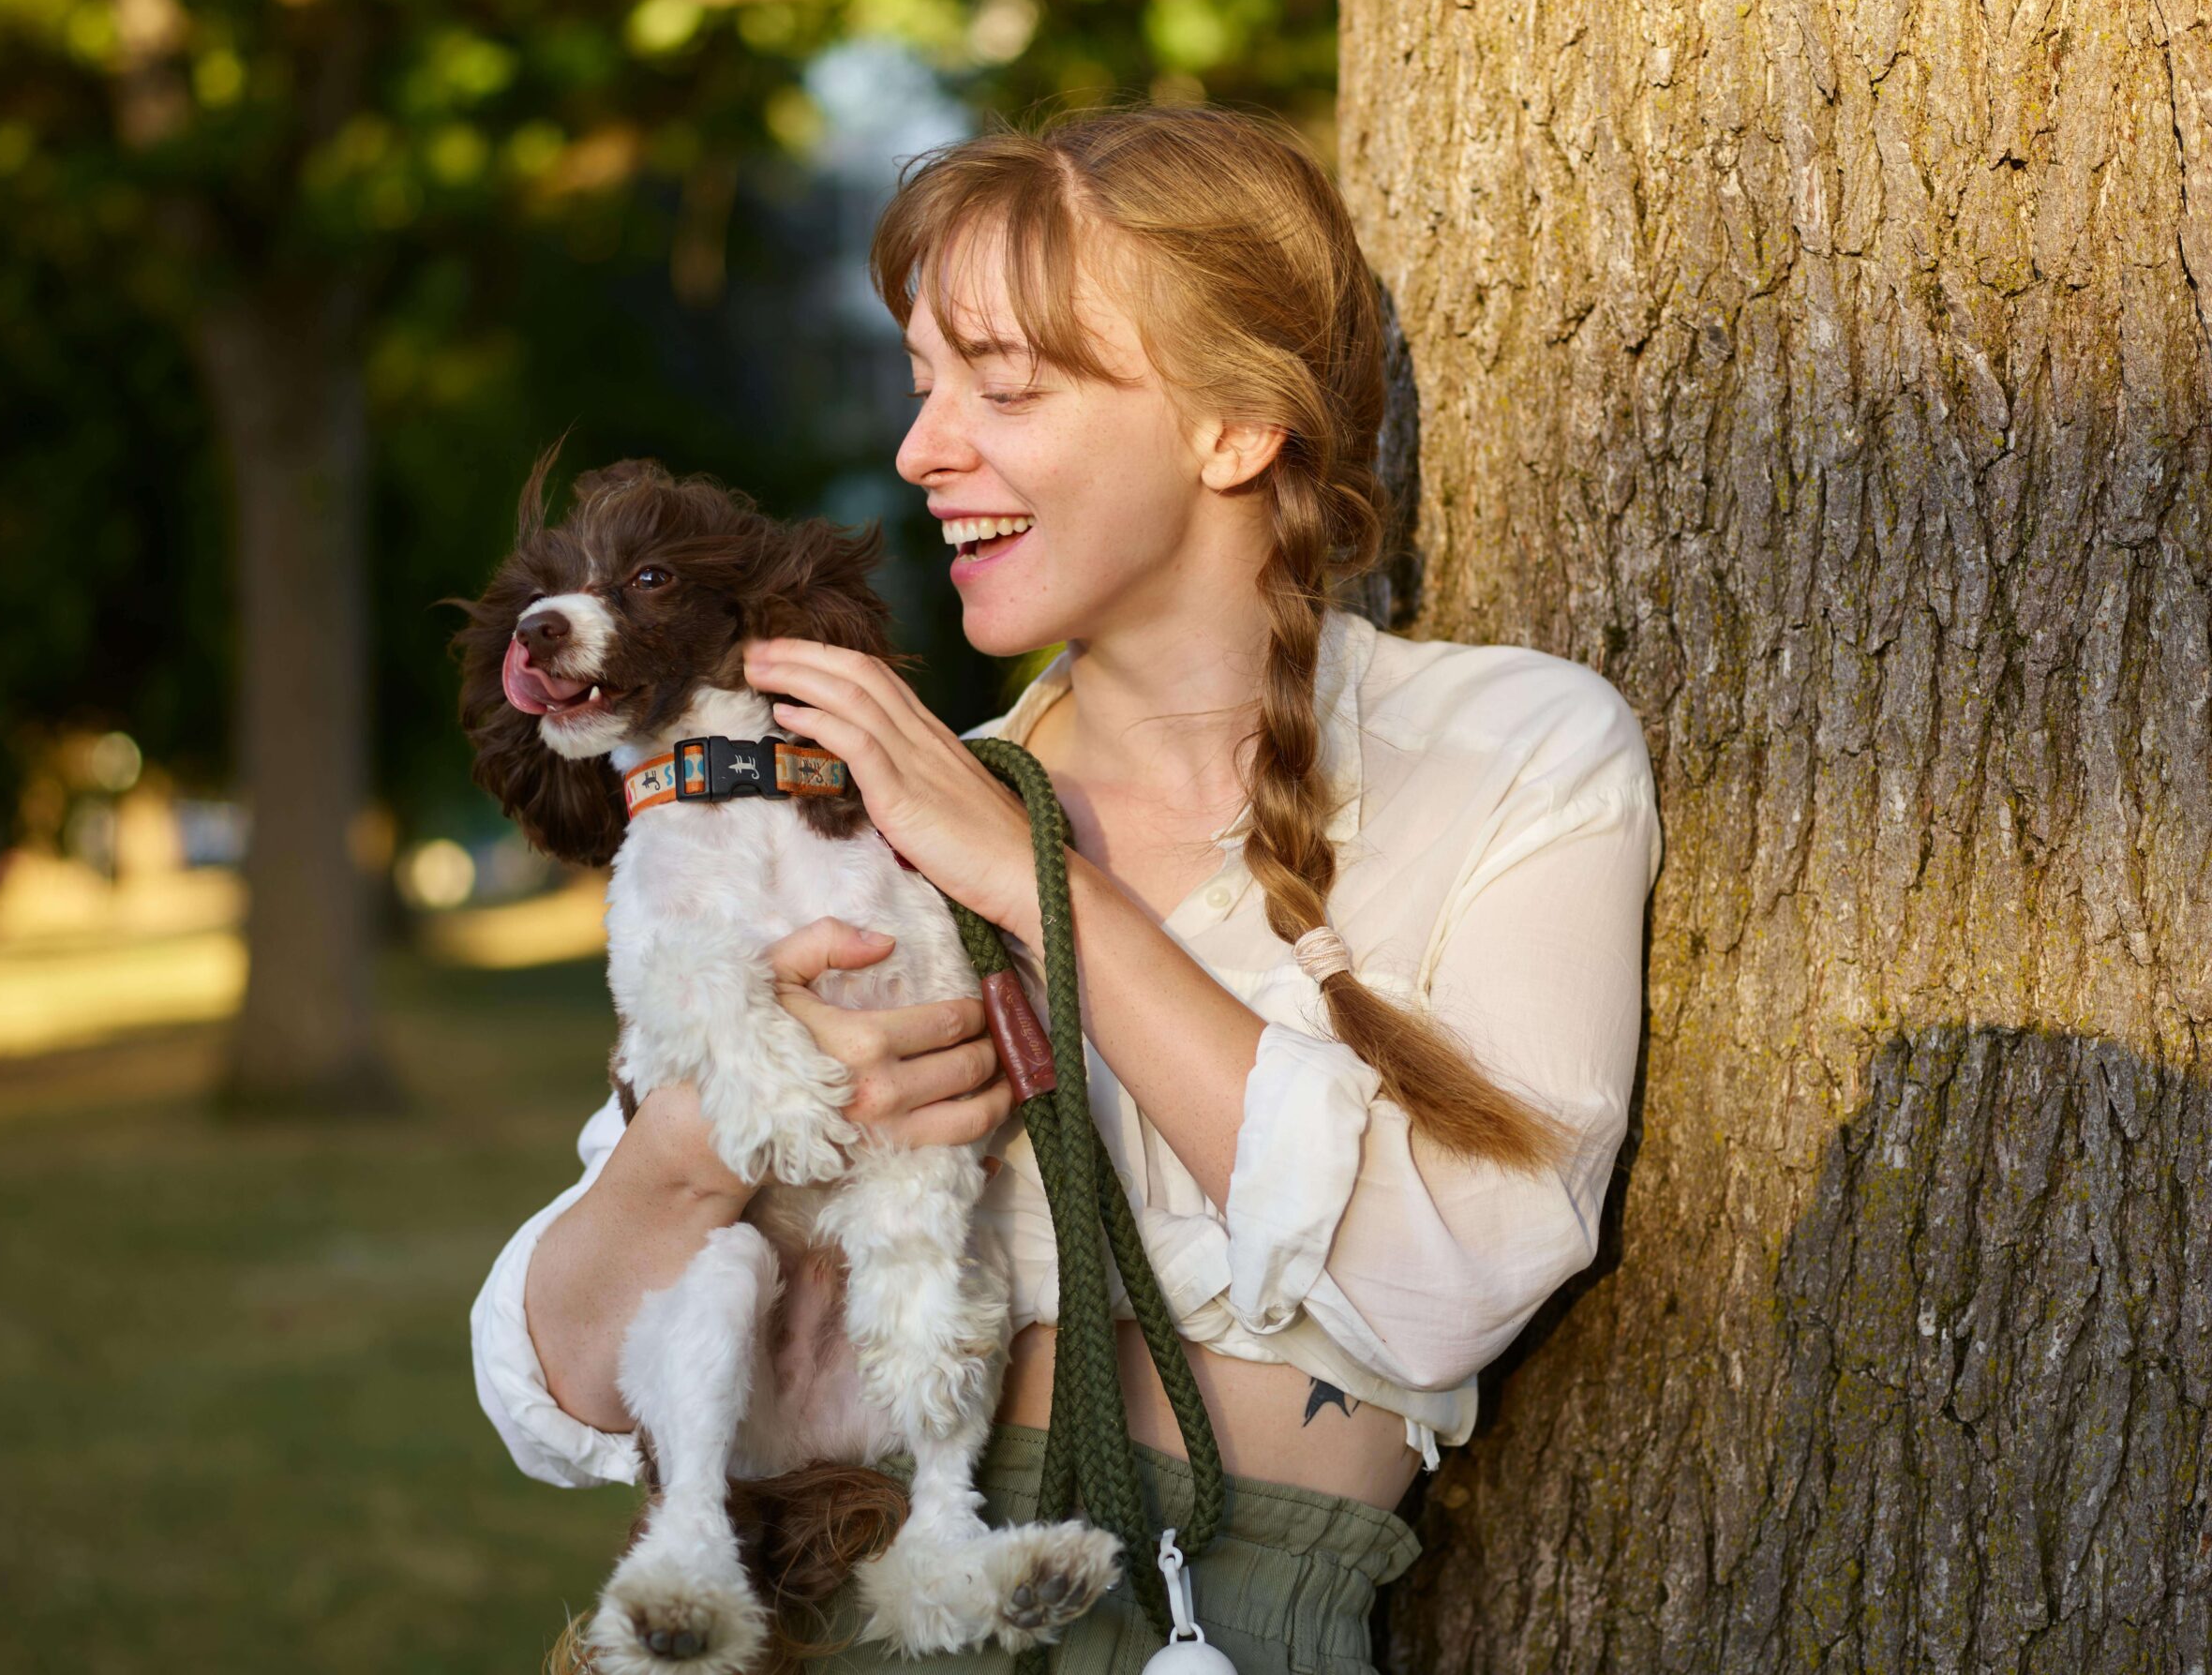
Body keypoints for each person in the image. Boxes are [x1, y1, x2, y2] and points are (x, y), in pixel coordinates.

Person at [471, 102, 1664, 1675]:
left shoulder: (1513, 751)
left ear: (1234, 428)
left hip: (1215, 1628)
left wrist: (1015, 870)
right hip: (858, 1604)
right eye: (920, 383)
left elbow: (1448, 1283)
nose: (921, 451)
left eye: (1005, 387)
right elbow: (554, 1382)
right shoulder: (870, 800)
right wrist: (707, 1132)